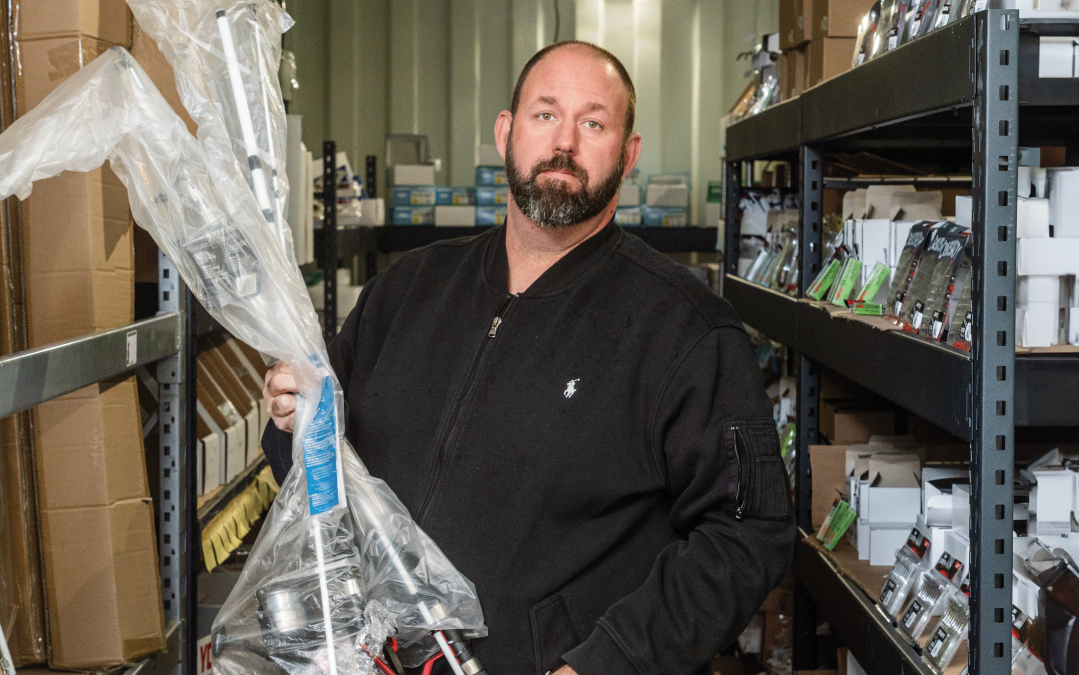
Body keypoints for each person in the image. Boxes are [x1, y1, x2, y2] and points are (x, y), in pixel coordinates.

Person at [261, 41, 796, 675]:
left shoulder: (685, 328)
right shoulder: (408, 289)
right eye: (545, 115)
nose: (564, 142)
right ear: (506, 133)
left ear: (628, 154)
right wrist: (291, 416)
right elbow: (316, 467)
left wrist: (604, 665)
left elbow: (747, 535)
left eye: (593, 123)